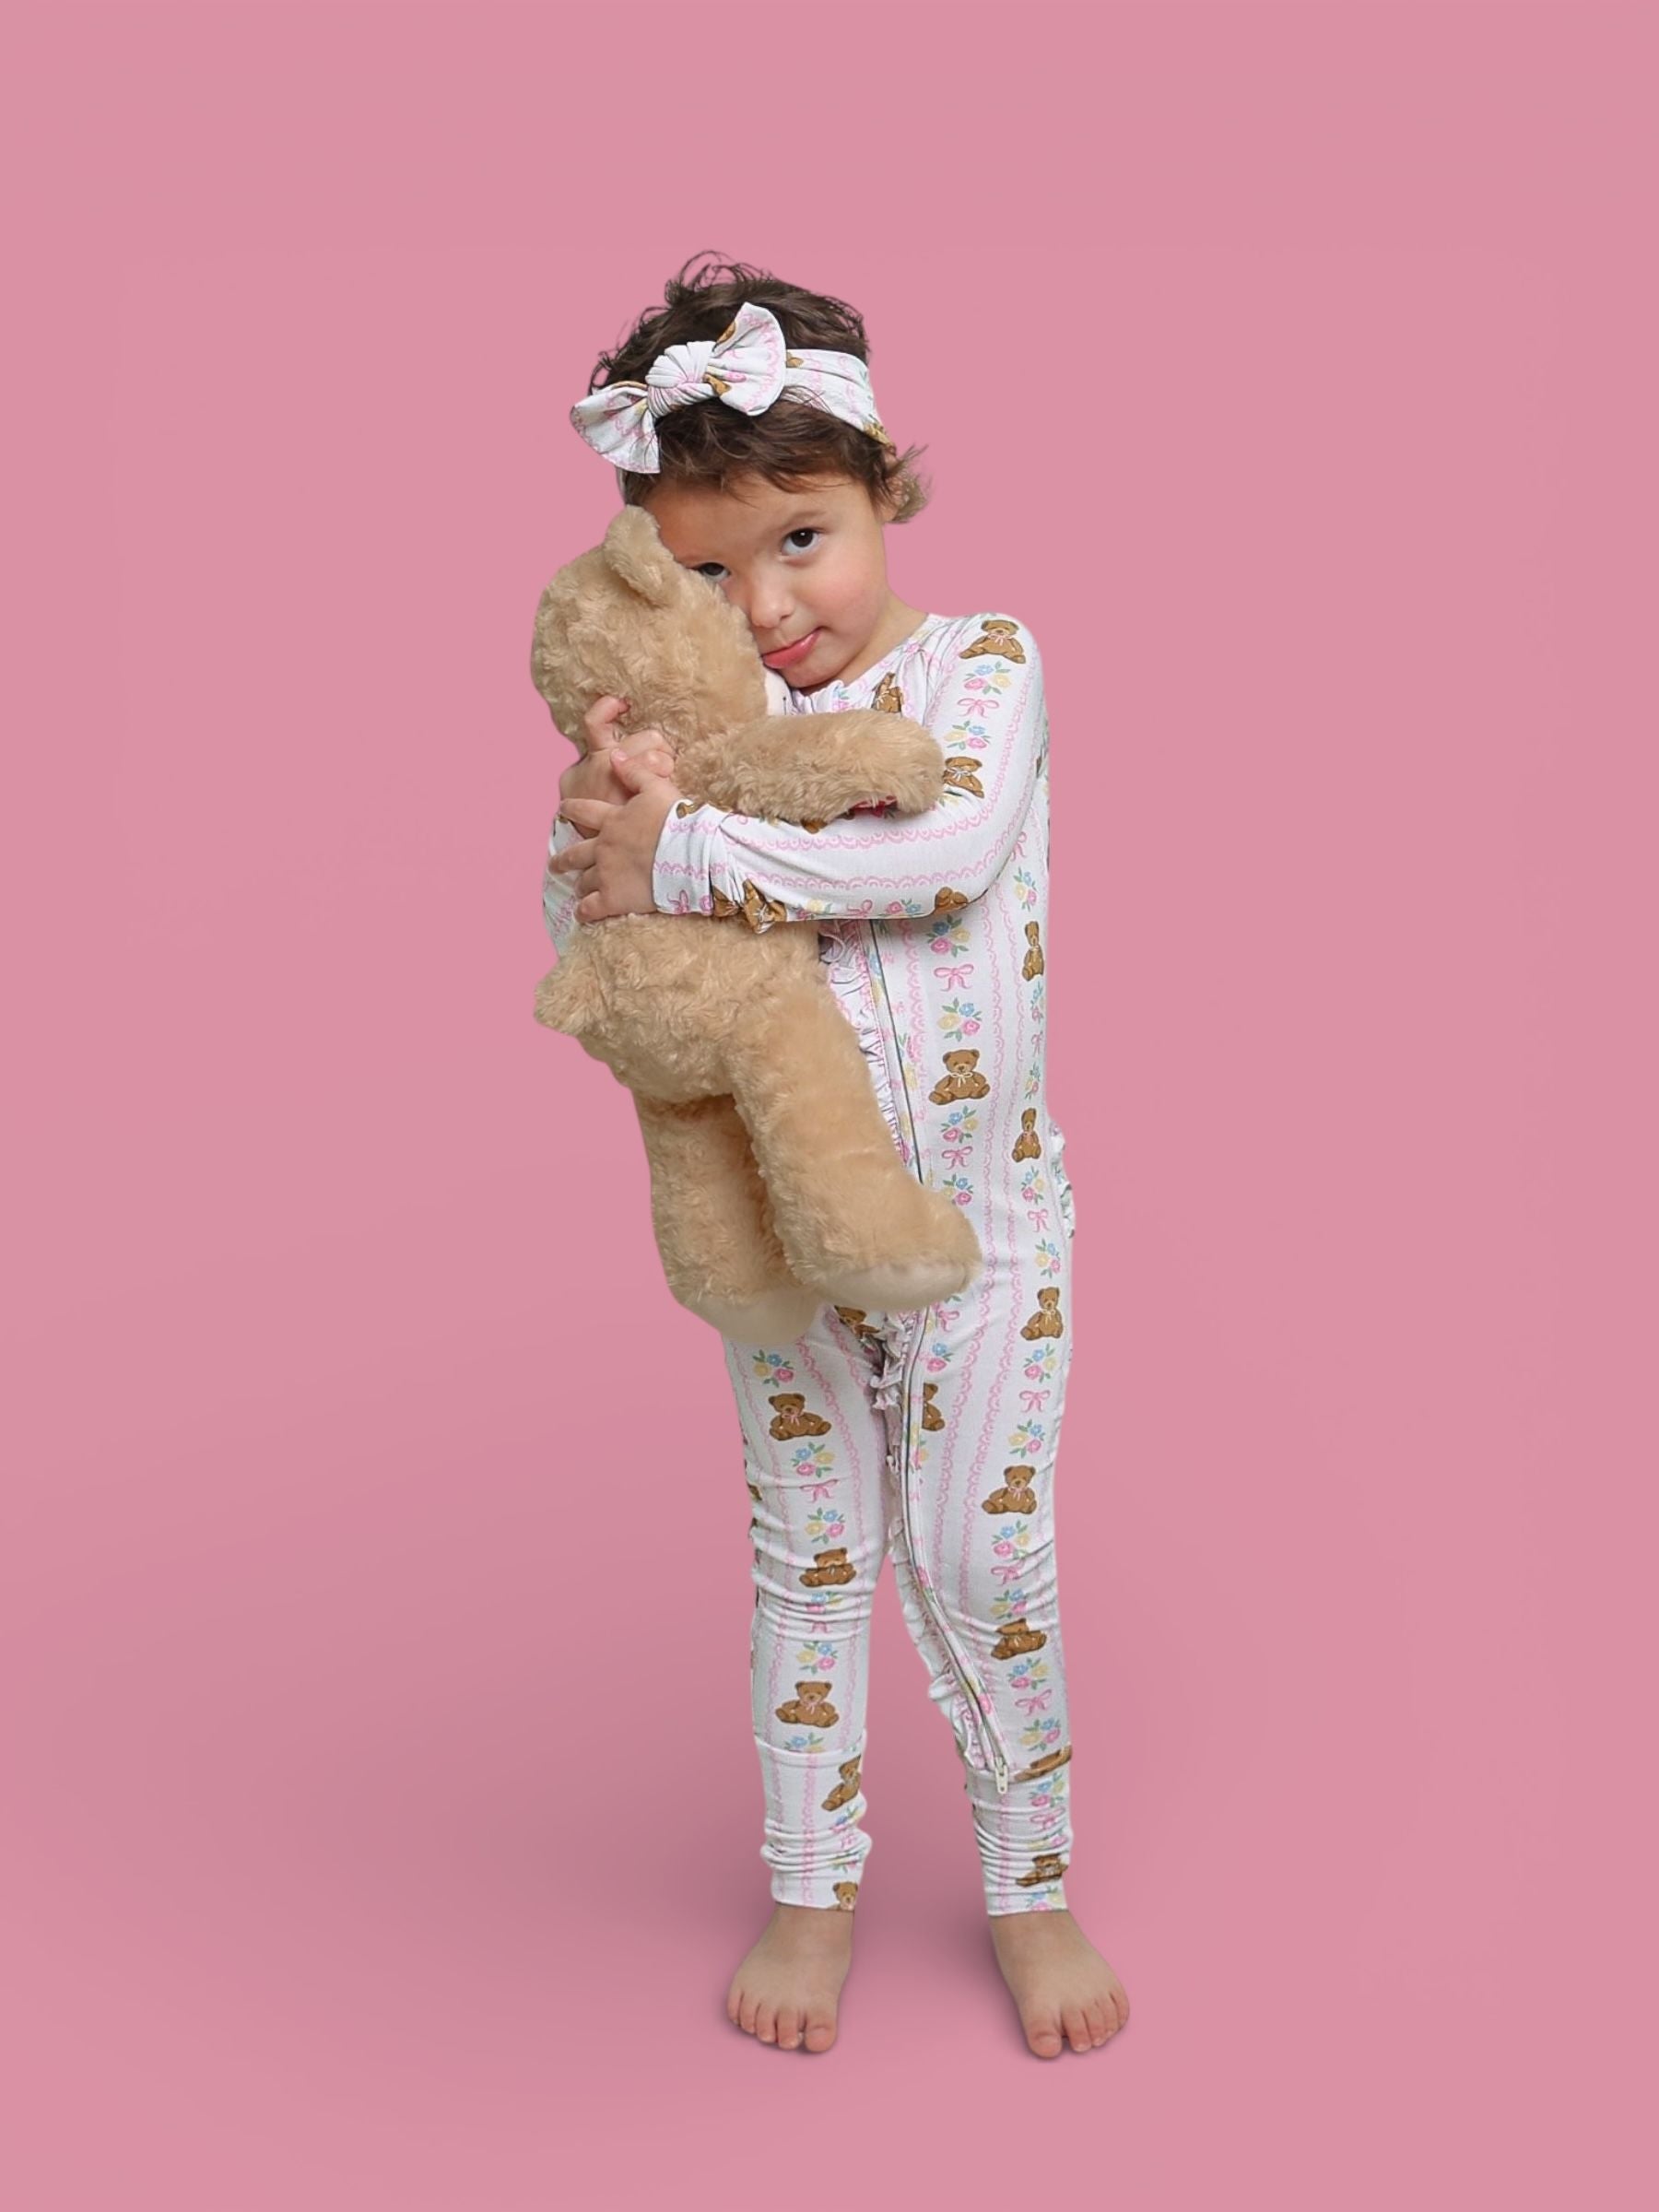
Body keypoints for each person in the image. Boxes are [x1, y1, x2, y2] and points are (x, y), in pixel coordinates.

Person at [542, 254, 1129, 2060]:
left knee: (983, 1566)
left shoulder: (981, 668)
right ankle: (813, 1891)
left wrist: (682, 854)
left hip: (982, 1232)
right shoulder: (685, 731)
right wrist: (606, 842)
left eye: (802, 540)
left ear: (885, 492)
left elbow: (933, 859)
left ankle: (1030, 1885)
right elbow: (591, 931)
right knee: (806, 1559)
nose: (769, 603)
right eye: (711, 573)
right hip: (781, 1233)